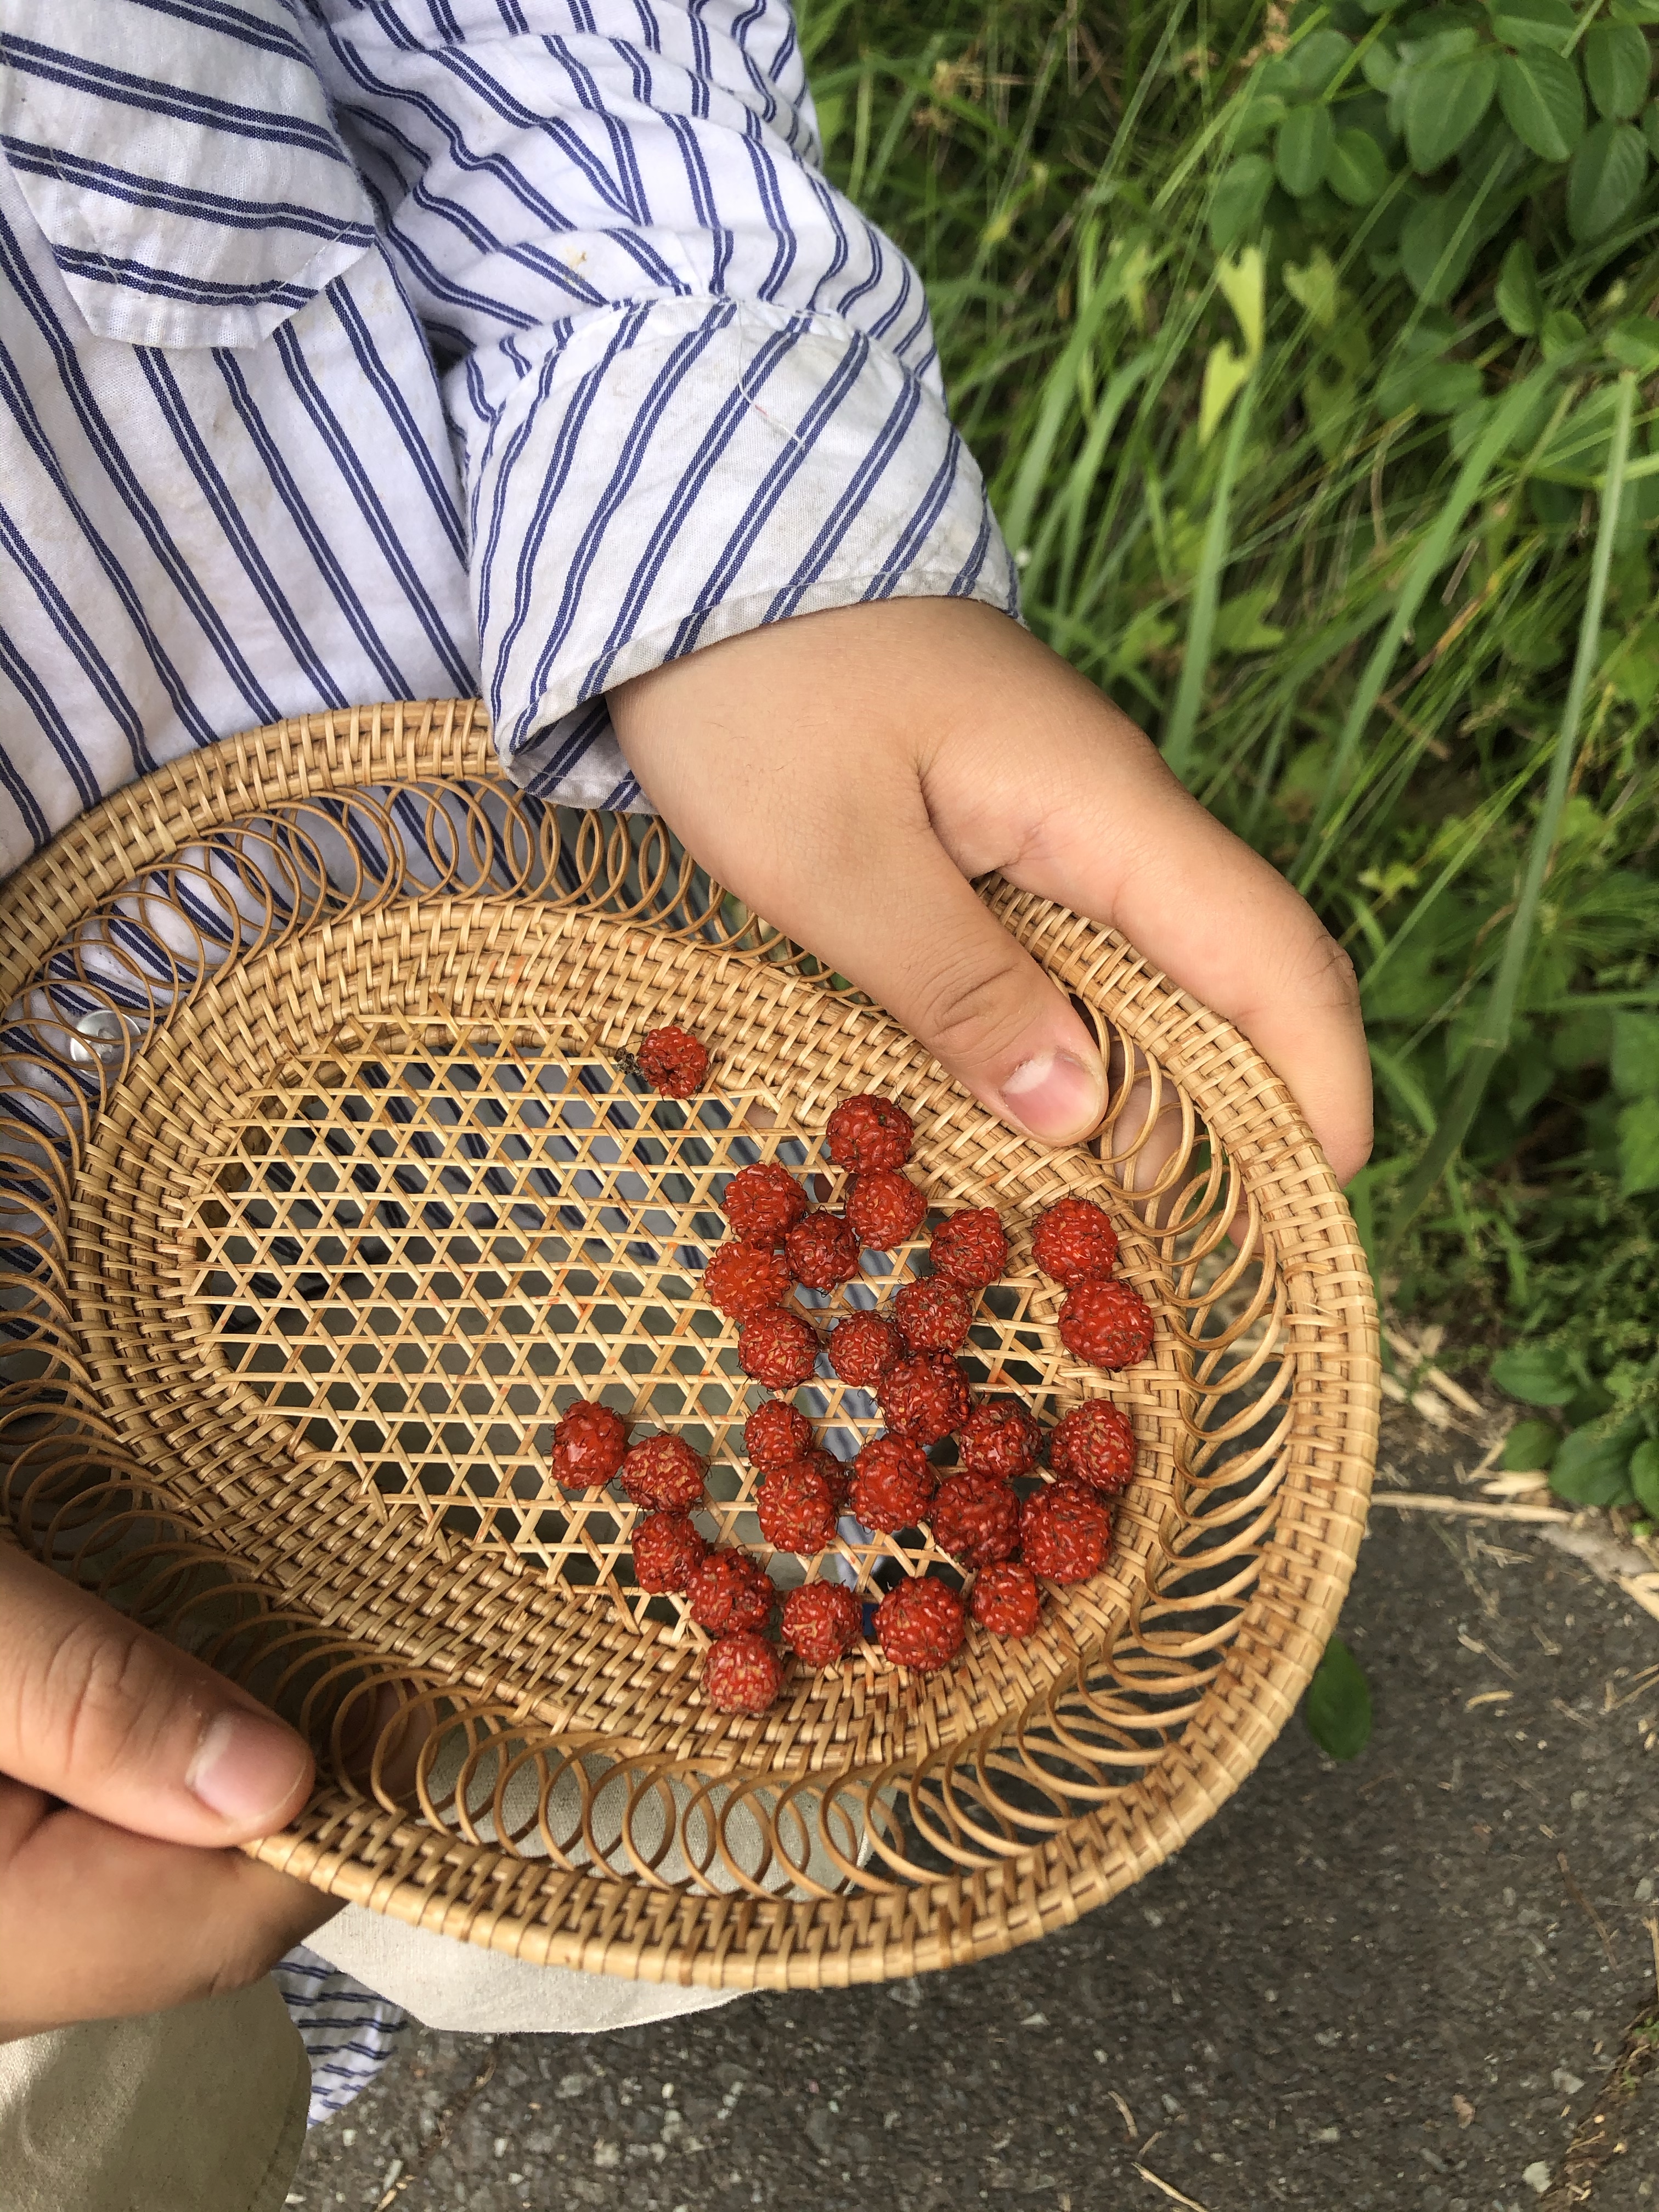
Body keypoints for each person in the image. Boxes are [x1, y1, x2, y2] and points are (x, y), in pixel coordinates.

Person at [0, 3, 1372, 2206]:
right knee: (107, 2111)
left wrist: (729, 499)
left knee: (607, 1843)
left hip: (538, 944)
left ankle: (487, 1957)